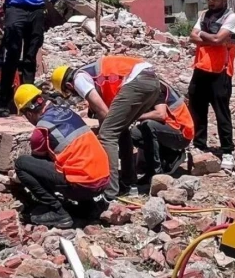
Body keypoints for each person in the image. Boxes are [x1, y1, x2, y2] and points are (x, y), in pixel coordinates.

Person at [51, 55, 160, 200]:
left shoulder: (79, 78)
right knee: (121, 130)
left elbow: (102, 110)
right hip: (152, 82)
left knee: (107, 134)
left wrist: (98, 136)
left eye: (70, 92)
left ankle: (109, 192)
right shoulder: (93, 75)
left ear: (69, 86)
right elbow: (108, 114)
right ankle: (129, 183)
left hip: (137, 82)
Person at [13, 84, 110, 228]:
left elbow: (39, 164)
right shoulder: (68, 112)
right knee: (72, 159)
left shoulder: (41, 130)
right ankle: (88, 207)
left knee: (22, 164)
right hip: (103, 179)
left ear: (28, 114)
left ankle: (58, 212)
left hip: (83, 185)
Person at [188, 0, 235, 170]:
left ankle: (227, 150)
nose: (211, 2)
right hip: (201, 68)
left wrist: (203, 36)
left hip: (221, 71)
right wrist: (212, 38)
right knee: (197, 107)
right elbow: (193, 36)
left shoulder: (231, 17)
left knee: (222, 112)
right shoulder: (203, 15)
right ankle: (199, 144)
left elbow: (219, 39)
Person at [131, 80, 193, 183]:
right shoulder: (146, 85)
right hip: (168, 128)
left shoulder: (155, 88)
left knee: (148, 125)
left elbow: (160, 114)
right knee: (134, 134)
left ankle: (155, 173)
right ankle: (169, 156)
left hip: (182, 133)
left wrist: (135, 117)